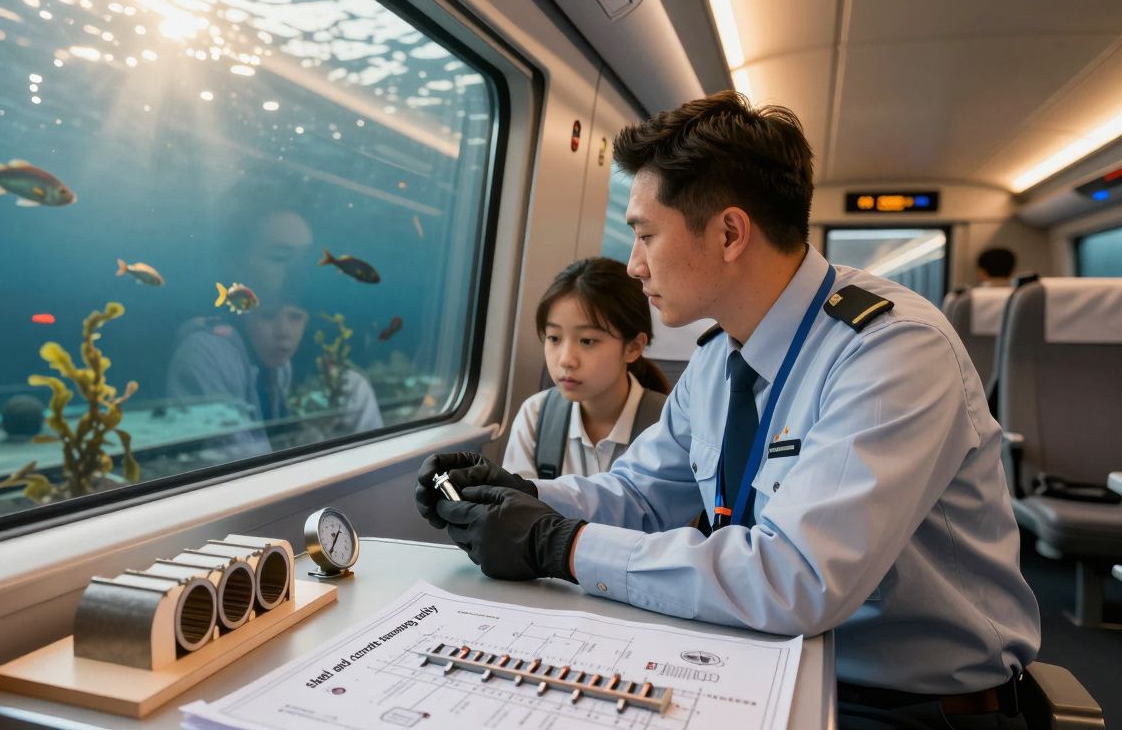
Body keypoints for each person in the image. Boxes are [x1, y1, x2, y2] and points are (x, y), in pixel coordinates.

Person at [413, 92, 1039, 729]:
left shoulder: (891, 352)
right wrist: (521, 495)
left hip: (900, 708)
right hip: (756, 663)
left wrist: (560, 546)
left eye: (645, 235)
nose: (633, 266)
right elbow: (641, 495)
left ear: (731, 233)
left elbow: (797, 580)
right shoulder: (718, 359)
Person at [166, 205, 382, 457]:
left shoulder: (284, 363)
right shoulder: (209, 353)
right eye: (281, 257)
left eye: (304, 261)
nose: (296, 273)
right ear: (235, 264)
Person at [502, 257, 669, 479]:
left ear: (633, 347)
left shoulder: (668, 425)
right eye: (554, 338)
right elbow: (516, 509)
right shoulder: (536, 416)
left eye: (587, 341)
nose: (565, 360)